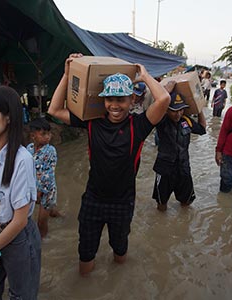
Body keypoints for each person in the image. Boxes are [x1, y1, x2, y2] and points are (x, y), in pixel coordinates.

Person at [48, 53, 171, 276]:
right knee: (85, 254)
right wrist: (67, 75)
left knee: (120, 252)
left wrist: (145, 76)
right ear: (104, 101)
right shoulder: (92, 122)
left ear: (132, 100)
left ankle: (118, 282)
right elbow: (54, 110)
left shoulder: (139, 126)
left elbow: (163, 100)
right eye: (110, 99)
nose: (115, 105)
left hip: (123, 203)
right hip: (93, 200)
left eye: (121, 99)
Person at [0, 85, 41, 299]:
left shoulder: (22, 160)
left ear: (9, 117)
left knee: (21, 295)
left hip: (18, 238)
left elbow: (19, 220)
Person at [152, 90, 206, 211]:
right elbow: (154, 109)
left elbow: (202, 129)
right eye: (174, 110)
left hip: (183, 167)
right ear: (166, 109)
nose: (178, 114)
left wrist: (199, 108)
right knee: (161, 204)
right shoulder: (161, 121)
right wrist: (166, 91)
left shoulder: (186, 121)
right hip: (164, 168)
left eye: (181, 110)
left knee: (186, 203)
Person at [27, 117, 61, 238]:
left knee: (41, 222)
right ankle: (57, 214)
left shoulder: (50, 150)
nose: (47, 137)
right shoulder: (29, 149)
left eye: (49, 133)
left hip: (47, 190)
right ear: (33, 136)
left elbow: (49, 174)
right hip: (34, 188)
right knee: (48, 210)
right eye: (43, 134)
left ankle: (44, 241)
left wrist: (40, 191)